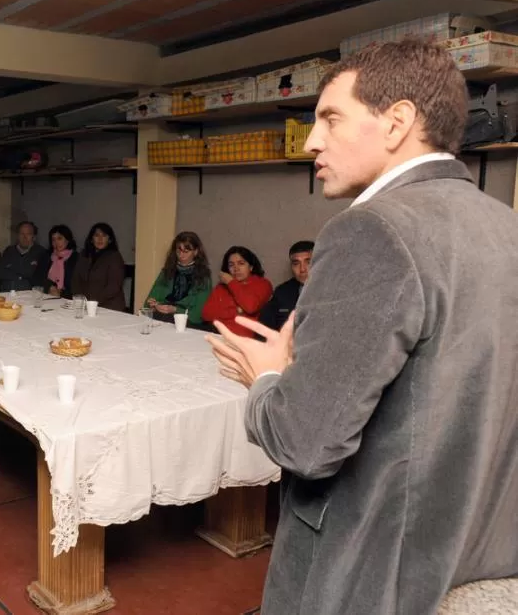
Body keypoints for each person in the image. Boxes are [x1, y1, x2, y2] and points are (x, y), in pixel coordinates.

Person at [206, 40, 518, 614]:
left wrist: (269, 377)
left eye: (330, 117)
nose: (310, 141)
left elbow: (306, 444)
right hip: (481, 558)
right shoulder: (505, 225)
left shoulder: (370, 231)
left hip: (375, 573)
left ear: (397, 122)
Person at [200, 246, 272, 338]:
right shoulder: (221, 287)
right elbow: (206, 314)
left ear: (251, 267)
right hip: (218, 335)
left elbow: (250, 307)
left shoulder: (262, 284)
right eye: (231, 265)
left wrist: (231, 282)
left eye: (241, 263)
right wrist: (237, 311)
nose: (236, 268)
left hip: (245, 339)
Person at [144, 231, 212, 328]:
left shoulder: (203, 276)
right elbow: (150, 300)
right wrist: (154, 305)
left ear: (196, 252)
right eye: (178, 250)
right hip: (163, 316)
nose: (181, 255)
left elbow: (198, 313)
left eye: (186, 251)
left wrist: (176, 310)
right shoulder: (167, 271)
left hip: (187, 321)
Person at [258, 240, 313, 332]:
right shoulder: (282, 292)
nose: (302, 269)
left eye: (308, 262)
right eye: (296, 264)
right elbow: (264, 329)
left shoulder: (334, 289)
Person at [71, 222, 126, 312]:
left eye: (104, 235)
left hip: (109, 306)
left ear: (109, 239)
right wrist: (80, 300)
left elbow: (113, 287)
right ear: (92, 239)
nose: (100, 239)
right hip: (84, 305)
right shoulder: (84, 254)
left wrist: (92, 302)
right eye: (96, 235)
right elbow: (75, 280)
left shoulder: (114, 256)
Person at [0, 221, 49, 292]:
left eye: (28, 234)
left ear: (34, 237)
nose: (25, 237)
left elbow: (36, 276)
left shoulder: (41, 252)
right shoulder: (9, 251)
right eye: (22, 234)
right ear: (18, 236)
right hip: (7, 293)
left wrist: (12, 270)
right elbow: (0, 272)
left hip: (29, 295)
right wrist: (21, 277)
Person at [42, 225, 79, 298]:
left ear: (68, 239)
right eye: (53, 240)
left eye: (59, 238)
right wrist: (50, 287)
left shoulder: (76, 258)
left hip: (69, 299)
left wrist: (62, 293)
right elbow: (39, 277)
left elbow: (78, 285)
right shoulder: (47, 256)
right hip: (48, 296)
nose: (56, 242)